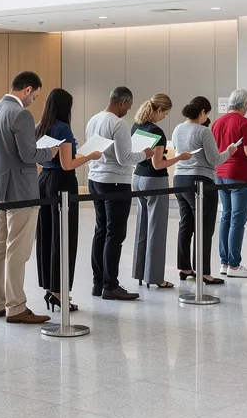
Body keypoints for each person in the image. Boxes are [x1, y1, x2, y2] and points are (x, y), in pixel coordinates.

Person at [0, 71, 57, 324]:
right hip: (21, 190)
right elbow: (28, 154)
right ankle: (16, 307)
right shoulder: (21, 114)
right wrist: (50, 151)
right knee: (18, 250)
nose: (32, 101)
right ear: (27, 89)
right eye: (34, 96)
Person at [33, 88, 101, 312]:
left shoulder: (40, 126)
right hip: (62, 183)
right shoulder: (62, 128)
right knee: (64, 237)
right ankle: (59, 292)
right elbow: (67, 164)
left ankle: (50, 289)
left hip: (44, 181)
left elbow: (43, 160)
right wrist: (90, 156)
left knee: (47, 235)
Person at [85, 86, 149, 301]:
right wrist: (145, 154)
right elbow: (125, 158)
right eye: (128, 106)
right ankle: (110, 285)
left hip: (95, 179)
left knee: (101, 231)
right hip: (115, 182)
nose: (128, 111)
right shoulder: (119, 123)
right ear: (122, 102)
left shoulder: (93, 119)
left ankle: (98, 282)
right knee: (115, 234)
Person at [172, 98, 237, 285]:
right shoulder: (203, 131)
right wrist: (230, 151)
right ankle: (204, 271)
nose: (207, 117)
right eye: (207, 114)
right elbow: (214, 159)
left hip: (179, 180)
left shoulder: (178, 129)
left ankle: (185, 268)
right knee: (204, 227)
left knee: (186, 224)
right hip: (201, 181)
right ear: (202, 112)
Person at [131, 94, 191, 289]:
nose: (164, 116)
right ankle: (155, 277)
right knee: (156, 230)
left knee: (142, 227)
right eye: (165, 113)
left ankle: (139, 273)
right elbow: (158, 164)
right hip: (155, 181)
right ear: (158, 110)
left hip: (138, 179)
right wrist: (180, 157)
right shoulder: (157, 132)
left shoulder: (136, 126)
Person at [211, 89, 247, 279]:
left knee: (226, 217)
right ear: (245, 105)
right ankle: (234, 265)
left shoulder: (217, 123)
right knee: (237, 220)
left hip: (221, 173)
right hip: (241, 175)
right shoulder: (246, 123)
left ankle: (224, 262)